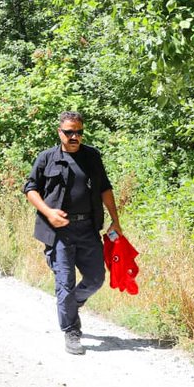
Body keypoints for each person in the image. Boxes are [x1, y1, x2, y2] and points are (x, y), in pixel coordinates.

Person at [23, 111, 123, 356]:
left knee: (97, 278)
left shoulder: (92, 157)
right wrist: (48, 212)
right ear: (59, 132)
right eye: (69, 132)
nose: (74, 136)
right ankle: (71, 331)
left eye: (78, 131)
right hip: (59, 231)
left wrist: (116, 221)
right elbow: (30, 188)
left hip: (88, 228)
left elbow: (105, 189)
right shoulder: (47, 158)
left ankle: (72, 304)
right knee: (64, 283)